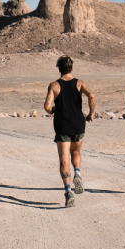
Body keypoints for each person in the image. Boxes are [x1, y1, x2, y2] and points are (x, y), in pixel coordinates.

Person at [44, 55, 96, 207]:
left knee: (63, 159)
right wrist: (91, 114)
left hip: (62, 125)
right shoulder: (80, 83)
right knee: (76, 152)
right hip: (78, 124)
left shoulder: (54, 85)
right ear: (72, 68)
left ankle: (68, 191)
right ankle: (78, 173)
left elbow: (47, 106)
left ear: (59, 69)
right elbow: (91, 96)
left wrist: (54, 110)